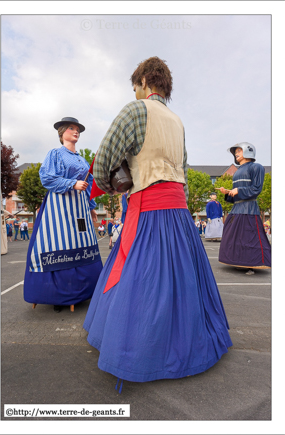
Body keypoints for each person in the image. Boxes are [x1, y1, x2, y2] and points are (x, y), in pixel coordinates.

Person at [83, 57, 232, 387]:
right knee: (181, 282)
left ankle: (139, 353)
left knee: (143, 283)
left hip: (148, 210)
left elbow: (104, 158)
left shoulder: (135, 111)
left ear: (145, 82)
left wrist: (113, 187)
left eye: (135, 85)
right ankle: (187, 343)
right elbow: (185, 172)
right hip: (178, 213)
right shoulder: (178, 121)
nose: (134, 92)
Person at [23, 117, 103, 312]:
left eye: (77, 129)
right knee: (61, 243)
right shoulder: (55, 154)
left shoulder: (82, 160)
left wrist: (91, 206)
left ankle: (85, 289)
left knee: (82, 243)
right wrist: (72, 183)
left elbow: (89, 184)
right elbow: (46, 177)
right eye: (71, 128)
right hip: (60, 207)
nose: (75, 131)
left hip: (80, 209)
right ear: (62, 133)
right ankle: (58, 294)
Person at [217, 143, 271, 274]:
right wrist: (228, 193)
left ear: (248, 151)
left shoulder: (256, 167)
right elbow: (236, 195)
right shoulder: (237, 172)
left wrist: (238, 190)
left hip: (249, 210)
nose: (236, 153)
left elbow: (256, 189)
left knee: (248, 237)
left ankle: (252, 264)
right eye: (235, 151)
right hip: (237, 209)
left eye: (239, 150)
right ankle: (239, 261)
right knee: (232, 235)